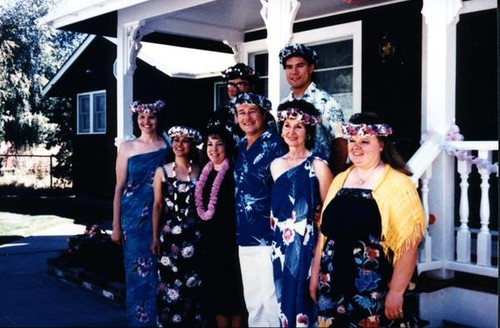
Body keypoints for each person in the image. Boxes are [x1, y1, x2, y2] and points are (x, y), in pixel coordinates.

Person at [309, 112, 426, 327]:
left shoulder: (398, 184)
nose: (355, 147)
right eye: (352, 140)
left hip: (374, 290)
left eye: (365, 141)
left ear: (381, 145)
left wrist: (397, 291)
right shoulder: (340, 180)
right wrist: (315, 273)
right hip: (332, 284)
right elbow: (324, 234)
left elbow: (409, 243)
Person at [270, 99, 333, 327]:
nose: (291, 131)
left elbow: (329, 215)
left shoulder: (318, 165)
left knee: (306, 307)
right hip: (281, 246)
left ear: (308, 131)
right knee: (284, 305)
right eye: (287, 125)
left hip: (308, 246)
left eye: (298, 126)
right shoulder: (275, 165)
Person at [231, 92, 287, 327]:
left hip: (269, 236)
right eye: (241, 112)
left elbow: (286, 189)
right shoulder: (240, 145)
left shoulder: (276, 144)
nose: (247, 117)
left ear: (264, 114)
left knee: (272, 301)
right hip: (244, 234)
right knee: (253, 303)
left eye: (252, 111)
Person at [111, 99, 168, 327]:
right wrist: (116, 225)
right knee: (137, 273)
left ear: (158, 119)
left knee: (161, 271)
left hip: (161, 215)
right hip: (133, 219)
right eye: (142, 118)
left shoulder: (167, 145)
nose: (146, 122)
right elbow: (119, 187)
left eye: (151, 117)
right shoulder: (127, 147)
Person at [151, 125, 206, 327]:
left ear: (191, 145)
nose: (179, 144)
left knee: (193, 288)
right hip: (170, 240)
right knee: (169, 289)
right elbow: (157, 205)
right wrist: (155, 237)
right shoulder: (162, 171)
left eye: (184, 140)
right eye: (175, 140)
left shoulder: (200, 171)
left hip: (195, 238)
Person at [195, 126, 248, 328]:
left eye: (219, 144)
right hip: (210, 242)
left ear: (227, 146)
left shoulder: (235, 172)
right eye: (210, 144)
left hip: (231, 241)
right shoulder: (204, 172)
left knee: (233, 293)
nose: (214, 149)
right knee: (215, 292)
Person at [279, 43, 347, 175]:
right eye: (289, 67)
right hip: (289, 177)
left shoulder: (327, 103)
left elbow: (341, 147)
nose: (294, 72)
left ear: (311, 68)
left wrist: (329, 182)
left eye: (300, 66)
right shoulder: (284, 105)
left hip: (318, 180)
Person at [207, 63, 259, 142]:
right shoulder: (218, 115)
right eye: (231, 85)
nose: (235, 90)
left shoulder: (261, 115)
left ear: (252, 87)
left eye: (241, 84)